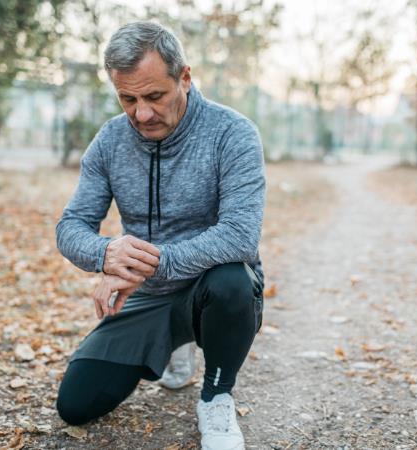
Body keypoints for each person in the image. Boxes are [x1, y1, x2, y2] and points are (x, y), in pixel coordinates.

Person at [54, 21, 266, 450]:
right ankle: (174, 342)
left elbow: (240, 236)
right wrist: (107, 252)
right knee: (76, 405)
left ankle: (216, 396)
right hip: (146, 296)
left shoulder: (233, 134)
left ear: (184, 77)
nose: (142, 113)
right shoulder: (111, 140)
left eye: (154, 96)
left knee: (232, 281)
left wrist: (146, 264)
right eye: (127, 98)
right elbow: (70, 226)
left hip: (211, 288)